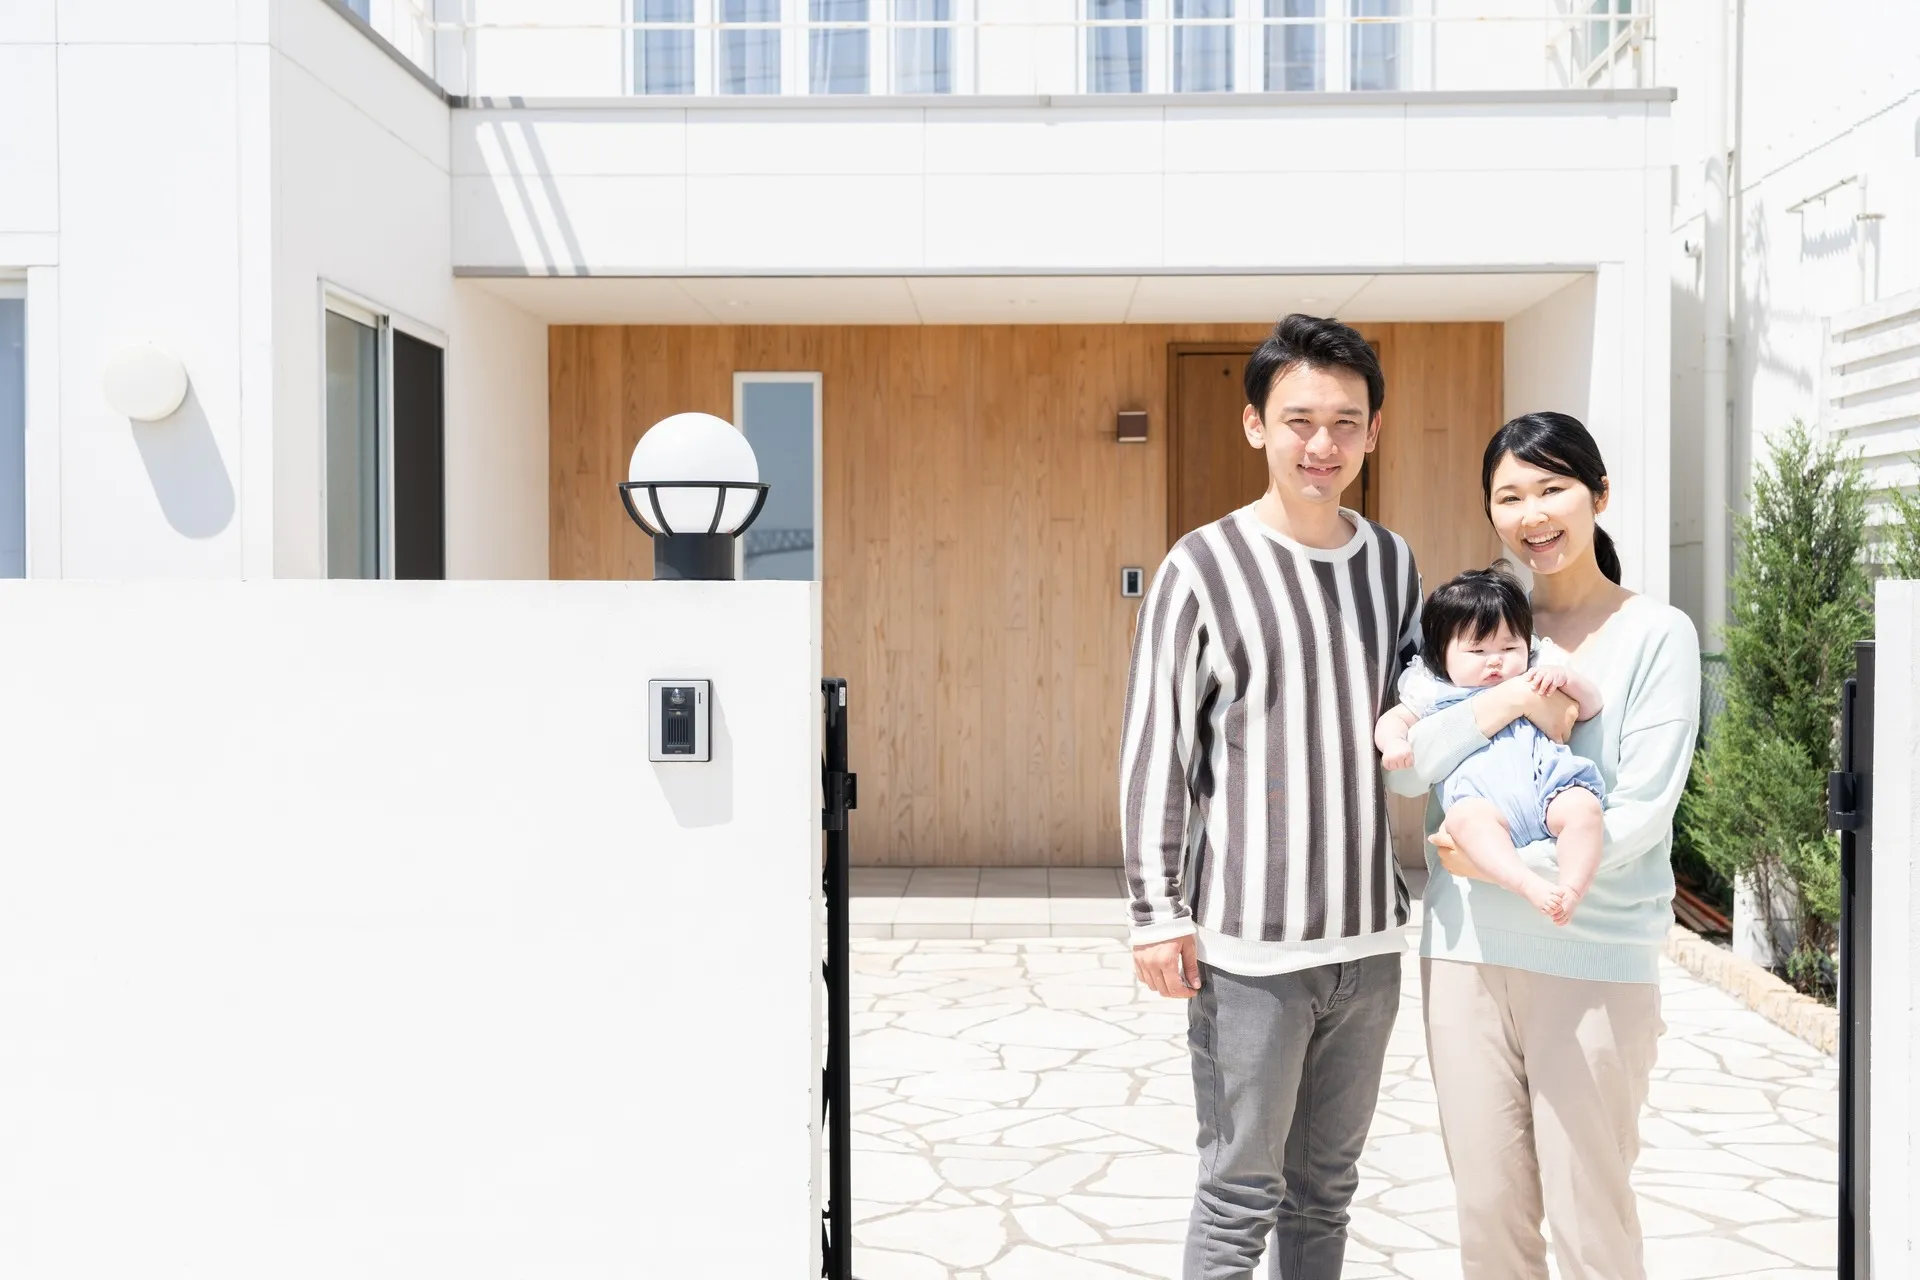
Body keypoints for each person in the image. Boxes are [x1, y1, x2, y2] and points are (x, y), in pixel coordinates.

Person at [1119, 314, 1416, 1280]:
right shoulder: (1199, 567)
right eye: (1299, 420)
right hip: (1250, 952)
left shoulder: (1393, 564)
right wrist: (1157, 913)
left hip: (1369, 945)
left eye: (1345, 422)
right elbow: (1155, 746)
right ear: (1256, 426)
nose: (1322, 444)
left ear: (1373, 432)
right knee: (1239, 1194)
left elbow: (1420, 708)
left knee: (1326, 1193)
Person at [1386, 411, 1701, 1280]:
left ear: (1599, 495)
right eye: (1510, 496)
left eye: (1553, 488)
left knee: (1589, 1217)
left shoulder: (1655, 633)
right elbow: (1408, 779)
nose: (1533, 514)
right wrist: (1510, 699)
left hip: (1592, 952)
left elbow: (1641, 811)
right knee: (1488, 1217)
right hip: (1466, 956)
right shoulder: (1475, 629)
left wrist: (1510, 870)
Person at [1374, 565, 1607, 925]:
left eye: (1509, 646)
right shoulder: (1434, 690)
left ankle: (1572, 888)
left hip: (1548, 787)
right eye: (1477, 650)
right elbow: (1394, 719)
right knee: (1465, 822)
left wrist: (1567, 679)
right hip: (1481, 801)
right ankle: (1526, 883)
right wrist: (1393, 744)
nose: (1495, 659)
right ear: (1441, 655)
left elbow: (1590, 707)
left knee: (1585, 809)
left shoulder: (1537, 675)